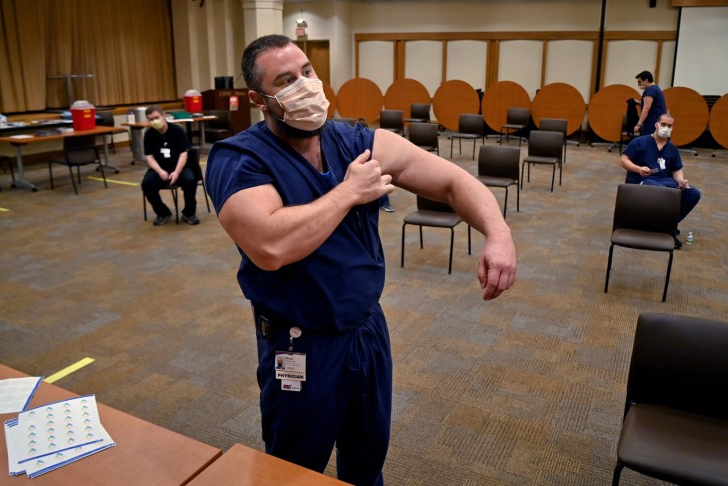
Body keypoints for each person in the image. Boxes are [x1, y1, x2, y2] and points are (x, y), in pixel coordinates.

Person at [205, 35, 516, 486]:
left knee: (367, 462)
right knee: (291, 472)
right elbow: (270, 246)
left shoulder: (354, 141)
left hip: (366, 330)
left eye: (307, 72)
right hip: (300, 344)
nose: (306, 86)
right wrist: (349, 192)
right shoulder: (239, 159)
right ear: (258, 99)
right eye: (286, 81)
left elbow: (451, 181)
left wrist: (499, 233)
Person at [620, 113, 701, 248]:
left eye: (670, 126)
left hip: (665, 181)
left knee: (693, 194)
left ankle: (666, 226)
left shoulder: (672, 149)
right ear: (656, 125)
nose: (666, 128)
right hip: (642, 179)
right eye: (663, 124)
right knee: (664, 193)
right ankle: (665, 228)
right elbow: (623, 160)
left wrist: (681, 181)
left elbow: (676, 170)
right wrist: (638, 169)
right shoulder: (640, 142)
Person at [141, 105, 200, 226]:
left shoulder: (177, 130)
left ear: (163, 116)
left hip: (180, 166)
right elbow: (149, 157)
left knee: (190, 180)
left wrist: (177, 172)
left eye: (157, 117)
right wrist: (160, 171)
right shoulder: (149, 135)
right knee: (147, 184)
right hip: (160, 167)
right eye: (151, 119)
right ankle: (162, 212)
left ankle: (189, 213)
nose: (154, 121)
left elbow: (184, 153)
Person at [633, 70, 666, 136]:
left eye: (640, 82)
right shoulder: (656, 88)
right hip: (658, 123)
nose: (639, 85)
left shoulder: (650, 90)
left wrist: (638, 125)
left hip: (652, 124)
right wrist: (639, 103)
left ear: (646, 80)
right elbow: (653, 105)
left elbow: (646, 108)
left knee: (649, 143)